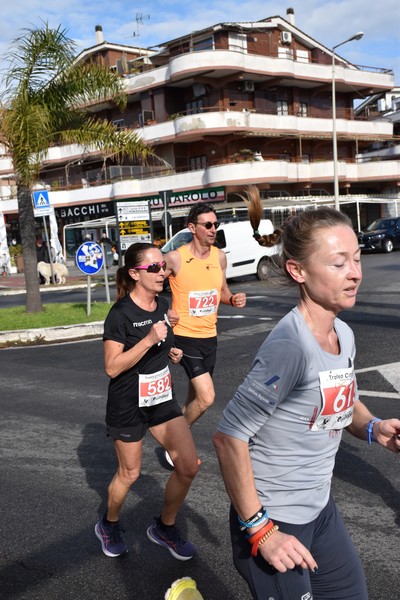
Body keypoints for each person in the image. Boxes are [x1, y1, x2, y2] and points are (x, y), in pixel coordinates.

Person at [213, 194, 400, 600]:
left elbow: (338, 402)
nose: (354, 274)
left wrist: (373, 428)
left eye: (357, 259)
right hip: (274, 521)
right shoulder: (291, 345)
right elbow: (228, 437)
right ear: (297, 270)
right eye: (338, 264)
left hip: (319, 511)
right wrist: (260, 530)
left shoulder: (343, 334)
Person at [95, 242, 199, 559]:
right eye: (153, 268)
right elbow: (112, 367)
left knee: (188, 466)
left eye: (162, 266)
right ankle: (109, 524)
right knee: (130, 474)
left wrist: (169, 348)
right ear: (135, 274)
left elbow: (160, 341)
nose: (162, 272)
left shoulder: (162, 304)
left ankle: (164, 528)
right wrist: (150, 339)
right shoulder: (120, 315)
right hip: (127, 402)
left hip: (160, 398)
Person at [164, 202, 247, 465]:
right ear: (192, 228)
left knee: (193, 401)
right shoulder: (175, 257)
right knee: (207, 397)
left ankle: (175, 431)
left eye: (216, 224)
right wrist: (163, 313)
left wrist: (232, 299)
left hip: (210, 337)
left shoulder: (219, 256)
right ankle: (176, 443)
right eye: (208, 225)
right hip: (184, 336)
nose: (213, 229)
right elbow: (150, 285)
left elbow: (222, 292)